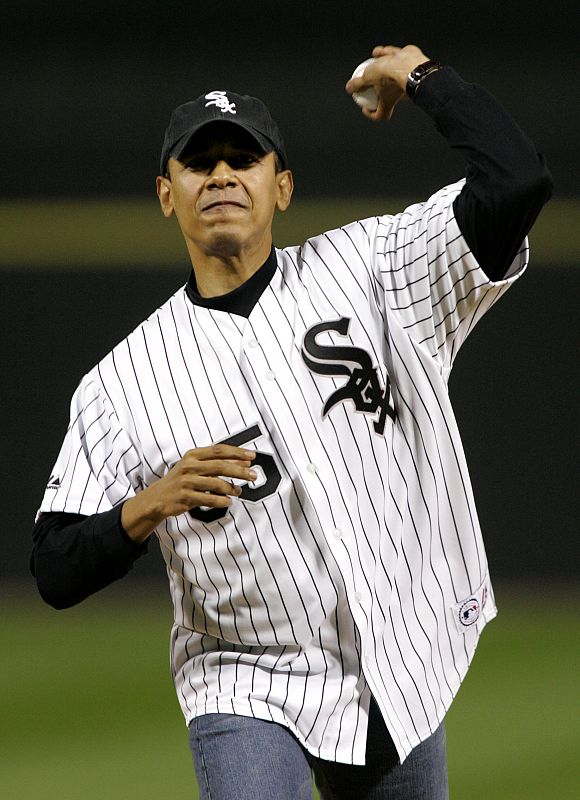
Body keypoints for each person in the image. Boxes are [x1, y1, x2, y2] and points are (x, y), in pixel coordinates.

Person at [31, 43, 552, 800]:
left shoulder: (376, 267)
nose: (220, 174)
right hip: (243, 678)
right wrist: (146, 506)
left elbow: (518, 178)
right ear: (166, 194)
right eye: (197, 162)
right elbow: (53, 566)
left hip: (398, 652)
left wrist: (421, 76)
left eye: (242, 159)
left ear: (281, 187)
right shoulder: (122, 381)